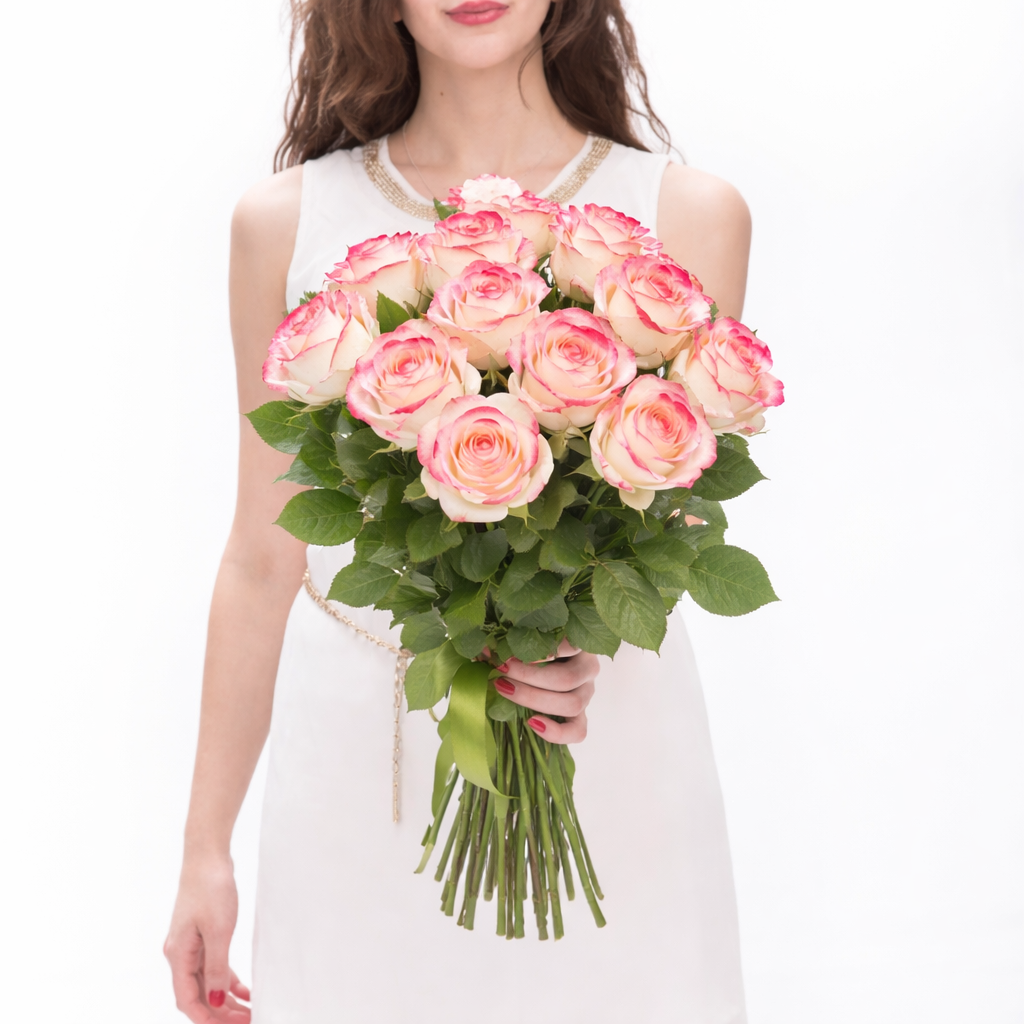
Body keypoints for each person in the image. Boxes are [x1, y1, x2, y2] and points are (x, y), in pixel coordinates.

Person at [164, 2, 753, 1021]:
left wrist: (577, 643)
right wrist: (203, 850)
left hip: (605, 734)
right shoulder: (284, 221)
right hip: (361, 750)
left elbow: (678, 523)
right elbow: (263, 553)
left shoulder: (685, 212)